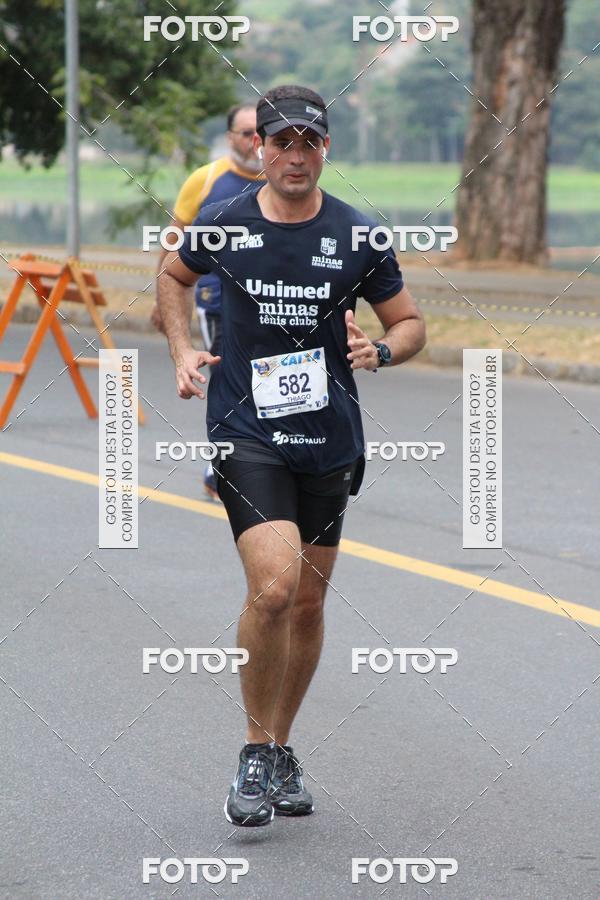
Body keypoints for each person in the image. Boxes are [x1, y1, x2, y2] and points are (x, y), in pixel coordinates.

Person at [157, 84, 426, 827]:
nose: (295, 156)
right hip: (246, 431)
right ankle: (253, 749)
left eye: (309, 142)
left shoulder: (359, 236)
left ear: (326, 148)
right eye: (282, 142)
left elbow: (409, 323)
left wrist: (383, 351)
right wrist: (181, 348)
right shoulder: (225, 221)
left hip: (328, 436)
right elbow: (173, 276)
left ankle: (280, 746)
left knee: (308, 602)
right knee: (275, 588)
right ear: (261, 147)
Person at [150, 103, 265, 500]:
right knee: (230, 376)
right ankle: (220, 467)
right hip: (217, 299)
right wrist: (161, 299)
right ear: (231, 137)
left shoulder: (282, 180)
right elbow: (173, 241)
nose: (254, 142)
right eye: (246, 133)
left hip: (271, 302)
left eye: (261, 133)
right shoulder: (207, 179)